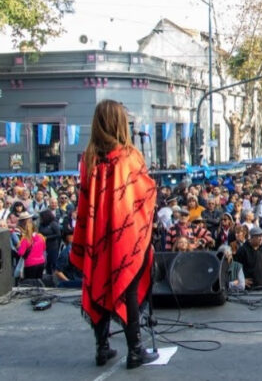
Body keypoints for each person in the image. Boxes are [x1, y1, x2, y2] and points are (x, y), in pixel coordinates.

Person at [70, 100, 158, 369]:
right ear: (120, 123)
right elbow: (144, 194)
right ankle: (135, 350)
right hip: (124, 236)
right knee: (127, 287)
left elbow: (88, 200)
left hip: (97, 235)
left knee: (99, 281)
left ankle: (102, 348)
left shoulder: (88, 159)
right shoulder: (129, 156)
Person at [15, 211, 46, 281]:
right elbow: (44, 248)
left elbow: (21, 253)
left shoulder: (25, 239)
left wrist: (18, 247)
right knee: (38, 282)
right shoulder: (41, 236)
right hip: (41, 262)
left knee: (30, 284)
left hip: (30, 264)